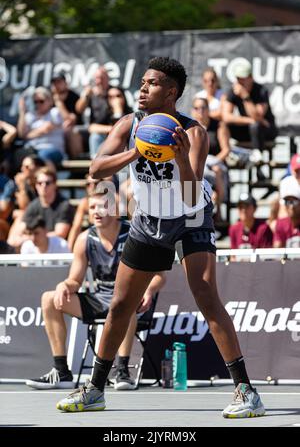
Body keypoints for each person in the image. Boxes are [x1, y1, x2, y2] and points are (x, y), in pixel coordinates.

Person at [57, 56, 265, 418]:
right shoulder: (128, 124)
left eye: (151, 83)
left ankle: (246, 390)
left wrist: (180, 157)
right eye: (142, 82)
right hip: (148, 220)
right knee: (121, 305)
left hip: (190, 218)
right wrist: (136, 150)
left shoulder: (194, 132)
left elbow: (188, 195)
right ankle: (95, 389)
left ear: (171, 92)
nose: (142, 88)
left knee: (206, 296)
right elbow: (95, 169)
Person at [26, 192, 165, 390]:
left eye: (102, 207)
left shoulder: (135, 235)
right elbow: (75, 280)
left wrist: (148, 290)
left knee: (127, 302)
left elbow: (159, 275)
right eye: (92, 208)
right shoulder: (84, 239)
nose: (96, 212)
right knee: (48, 299)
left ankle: (123, 371)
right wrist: (64, 285)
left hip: (130, 301)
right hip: (101, 299)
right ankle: (61, 372)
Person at [222, 59, 277, 180]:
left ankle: (258, 161)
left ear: (250, 77)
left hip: (265, 130)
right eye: (238, 78)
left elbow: (257, 116)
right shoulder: (233, 90)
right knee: (223, 125)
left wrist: (245, 97)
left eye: (243, 78)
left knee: (256, 126)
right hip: (249, 128)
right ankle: (231, 154)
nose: (240, 82)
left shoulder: (261, 90)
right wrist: (249, 121)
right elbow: (225, 116)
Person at [191, 97, 228, 221]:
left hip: (215, 163)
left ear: (208, 110)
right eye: (197, 108)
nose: (200, 111)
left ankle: (218, 212)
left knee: (217, 170)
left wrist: (210, 162)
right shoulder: (189, 128)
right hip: (196, 165)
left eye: (203, 108)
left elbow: (226, 150)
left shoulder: (218, 125)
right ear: (193, 111)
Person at [17, 87, 67, 167]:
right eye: (35, 102)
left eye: (41, 101)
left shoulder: (54, 112)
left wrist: (27, 135)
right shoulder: (30, 115)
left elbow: (46, 128)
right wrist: (22, 112)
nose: (38, 104)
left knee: (40, 158)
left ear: (50, 101)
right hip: (32, 149)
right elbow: (21, 133)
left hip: (53, 150)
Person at [22, 167, 74, 240]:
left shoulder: (64, 205)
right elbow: (21, 230)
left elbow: (60, 234)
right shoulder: (33, 205)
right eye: (40, 183)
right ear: (36, 186)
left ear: (55, 185)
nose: (43, 186)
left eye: (47, 183)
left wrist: (32, 238)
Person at [76, 66, 112, 159]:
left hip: (113, 128)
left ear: (107, 78)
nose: (99, 81)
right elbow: (79, 110)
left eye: (102, 78)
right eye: (97, 78)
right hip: (98, 129)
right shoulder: (91, 94)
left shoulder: (115, 92)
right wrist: (86, 96)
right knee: (95, 135)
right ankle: (96, 165)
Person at [50, 71, 84, 158]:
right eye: (54, 82)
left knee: (69, 131)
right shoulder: (48, 98)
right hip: (53, 129)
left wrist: (58, 102)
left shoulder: (74, 97)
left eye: (59, 82)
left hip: (73, 130)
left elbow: (70, 120)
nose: (56, 85)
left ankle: (77, 164)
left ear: (65, 83)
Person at [273, 179, 300, 248]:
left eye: (294, 201)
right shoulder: (281, 224)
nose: (291, 206)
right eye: (287, 202)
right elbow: (276, 253)